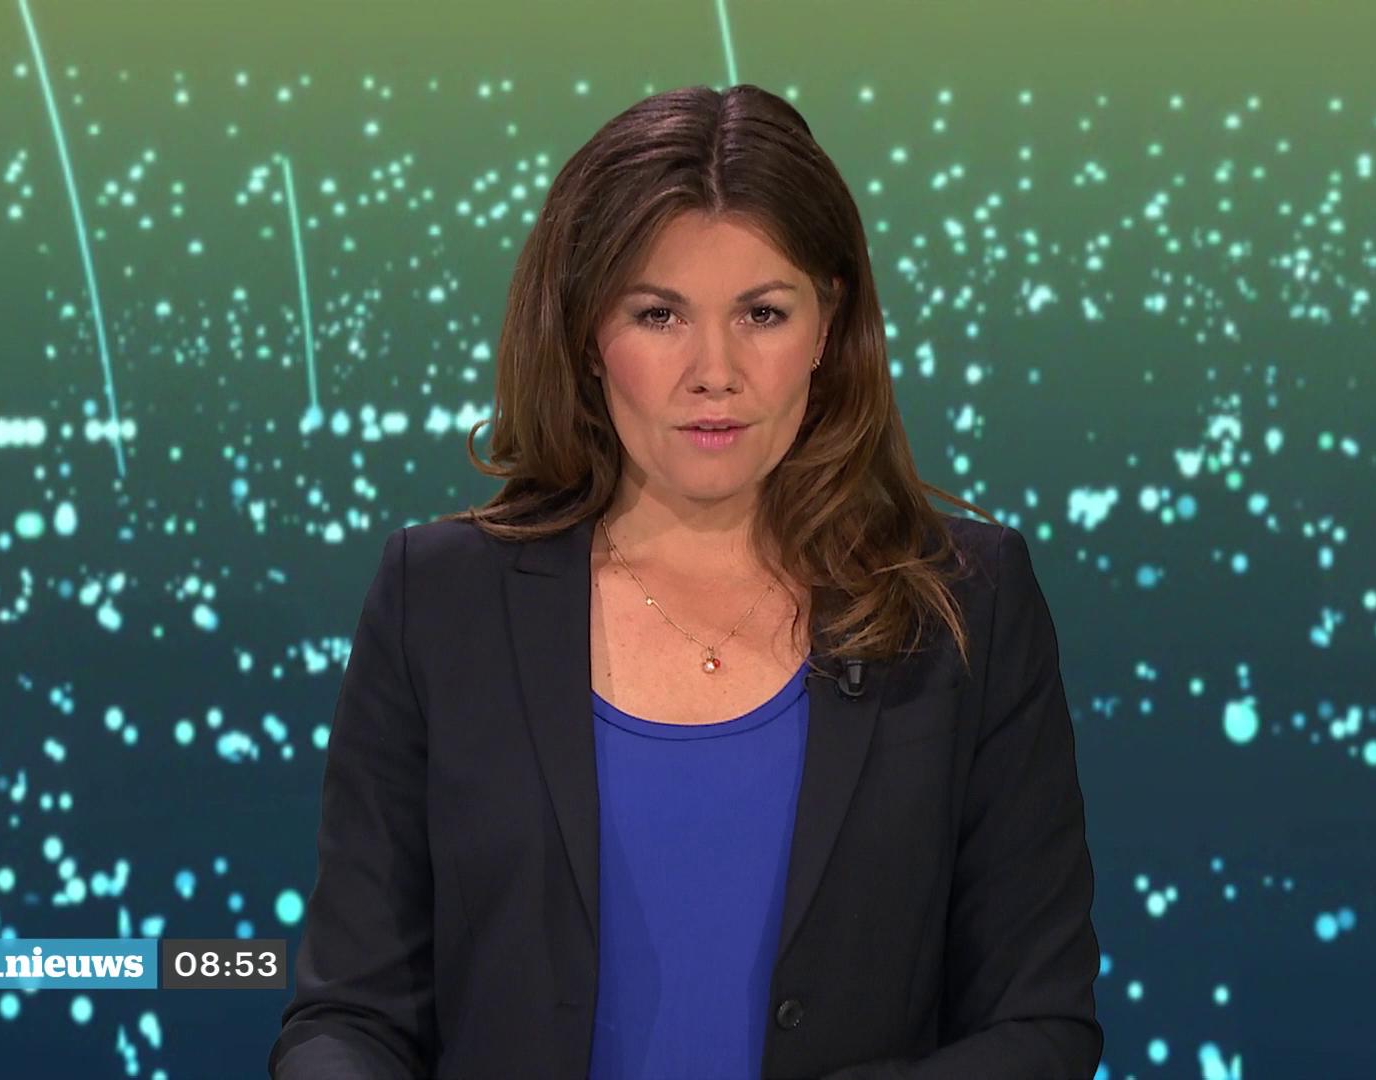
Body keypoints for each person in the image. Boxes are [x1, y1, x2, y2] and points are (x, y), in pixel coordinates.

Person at [268, 83, 1102, 1080]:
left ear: (826, 327)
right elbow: (349, 1015)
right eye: (659, 314)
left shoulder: (966, 601)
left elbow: (1038, 1025)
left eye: (763, 313)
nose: (715, 371)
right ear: (587, 334)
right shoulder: (439, 601)